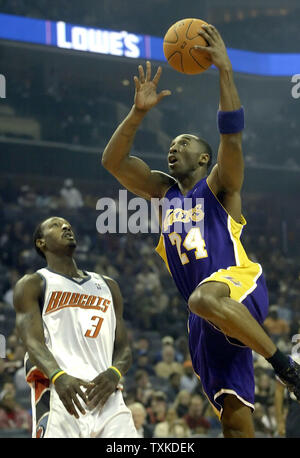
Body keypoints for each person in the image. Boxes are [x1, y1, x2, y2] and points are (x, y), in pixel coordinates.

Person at [101, 24, 300, 438]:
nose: (174, 147)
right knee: (233, 416)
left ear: (204, 156)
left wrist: (225, 70)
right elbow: (114, 162)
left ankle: (285, 367)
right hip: (204, 317)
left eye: (184, 142)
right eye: (171, 144)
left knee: (202, 296)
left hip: (235, 288)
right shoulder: (162, 194)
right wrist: (138, 114)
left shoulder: (220, 188)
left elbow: (232, 135)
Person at [13, 216, 137, 438]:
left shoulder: (108, 285)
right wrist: (58, 375)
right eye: (55, 225)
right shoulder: (33, 284)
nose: (66, 226)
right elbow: (32, 342)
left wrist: (114, 372)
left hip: (106, 395)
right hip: (60, 392)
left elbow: (124, 349)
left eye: (68, 224)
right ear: (41, 243)